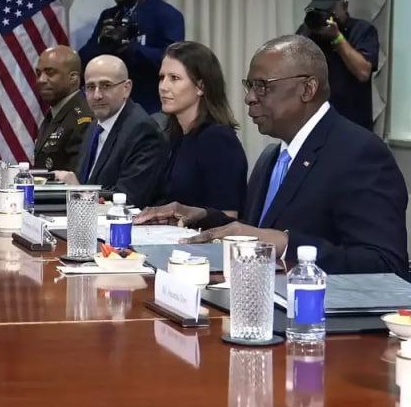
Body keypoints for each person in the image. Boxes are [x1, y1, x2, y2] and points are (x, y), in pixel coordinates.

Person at [136, 35, 407, 275]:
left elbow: (386, 265)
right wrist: (203, 216)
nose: (249, 98)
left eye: (262, 86)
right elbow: (254, 232)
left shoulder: (360, 153)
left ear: (307, 89)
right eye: (249, 86)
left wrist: (285, 244)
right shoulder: (271, 157)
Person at [52, 55, 166, 207]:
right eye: (90, 87)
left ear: (126, 88)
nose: (97, 96)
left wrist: (78, 191)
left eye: (106, 86)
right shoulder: (95, 125)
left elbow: (128, 200)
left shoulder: (143, 131)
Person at [77, 0, 184, 114]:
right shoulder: (108, 16)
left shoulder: (166, 14)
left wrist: (132, 48)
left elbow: (173, 61)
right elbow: (82, 60)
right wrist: (101, 44)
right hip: (110, 106)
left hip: (151, 107)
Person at [151, 41, 247, 213]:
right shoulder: (176, 136)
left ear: (200, 87)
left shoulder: (218, 140)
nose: (163, 87)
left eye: (174, 78)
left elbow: (228, 215)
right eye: (161, 77)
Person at [296, 0, 378, 130]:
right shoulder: (309, 32)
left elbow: (363, 73)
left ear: (345, 5)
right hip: (317, 124)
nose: (325, 14)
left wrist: (337, 38)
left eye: (329, 9)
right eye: (319, 9)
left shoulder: (363, 30)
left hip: (354, 124)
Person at [31, 45, 91, 171]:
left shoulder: (83, 119)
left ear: (73, 78)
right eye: (38, 73)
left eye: (50, 73)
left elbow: (76, 177)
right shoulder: (54, 112)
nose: (41, 80)